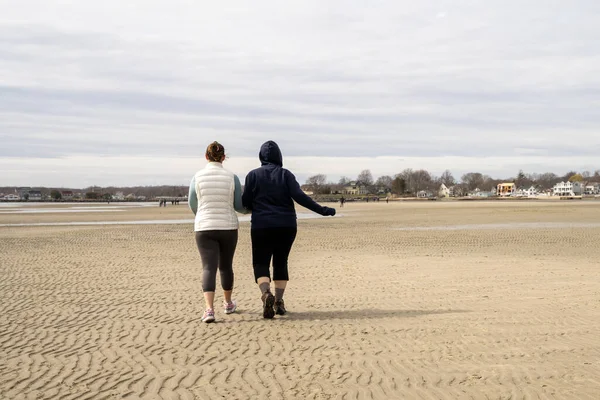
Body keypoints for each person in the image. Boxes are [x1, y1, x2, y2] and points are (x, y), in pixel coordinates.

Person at [242, 140, 336, 319]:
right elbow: (300, 197)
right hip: (286, 225)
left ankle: (265, 294)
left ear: (261, 156)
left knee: (260, 262)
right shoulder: (286, 175)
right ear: (279, 156)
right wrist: (323, 210)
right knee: (280, 262)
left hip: (261, 225)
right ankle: (278, 302)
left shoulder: (252, 175)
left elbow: (245, 201)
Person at [189, 141, 248, 323]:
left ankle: (209, 310)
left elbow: (193, 203)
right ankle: (228, 303)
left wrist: (202, 216)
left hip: (204, 227)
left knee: (208, 267)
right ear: (223, 157)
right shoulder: (232, 177)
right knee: (225, 266)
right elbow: (238, 205)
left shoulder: (197, 177)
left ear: (206, 157)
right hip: (228, 227)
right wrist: (250, 210)